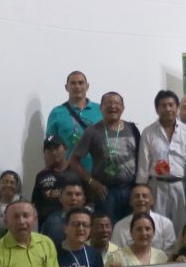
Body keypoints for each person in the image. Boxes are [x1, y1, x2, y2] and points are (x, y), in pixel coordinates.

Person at [136, 90, 186, 236]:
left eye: (171, 105)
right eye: (163, 105)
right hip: (156, 187)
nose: (167, 109)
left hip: (180, 186)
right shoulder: (148, 132)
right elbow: (143, 165)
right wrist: (143, 191)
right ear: (157, 109)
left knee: (182, 230)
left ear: (177, 107)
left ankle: (180, 258)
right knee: (157, 228)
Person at [69, 91, 141, 223]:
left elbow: (141, 158)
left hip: (131, 189)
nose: (113, 106)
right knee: (106, 231)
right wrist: (91, 182)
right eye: (108, 103)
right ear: (101, 108)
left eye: (116, 103)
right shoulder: (92, 132)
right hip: (105, 192)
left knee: (129, 230)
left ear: (123, 108)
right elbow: (74, 160)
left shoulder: (133, 129)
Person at [45, 71, 102, 167]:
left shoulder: (100, 110)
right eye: (73, 83)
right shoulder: (56, 113)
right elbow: (50, 146)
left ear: (87, 86)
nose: (77, 86)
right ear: (66, 87)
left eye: (81, 83)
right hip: (68, 172)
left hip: (98, 171)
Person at [111, 184, 177, 252]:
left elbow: (170, 253)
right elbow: (115, 254)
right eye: (137, 196)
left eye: (145, 196)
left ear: (152, 201)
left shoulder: (165, 224)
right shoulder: (119, 226)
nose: (141, 199)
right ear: (130, 202)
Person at [31, 135, 72, 225]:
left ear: (65, 148)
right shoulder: (41, 176)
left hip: (73, 220)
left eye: (56, 148)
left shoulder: (77, 172)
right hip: (47, 222)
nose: (53, 152)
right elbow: (35, 203)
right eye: (49, 150)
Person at [40, 181, 88, 257]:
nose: (73, 198)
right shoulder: (51, 221)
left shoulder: (93, 220)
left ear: (84, 199)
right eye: (69, 194)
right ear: (60, 198)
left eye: (77, 194)